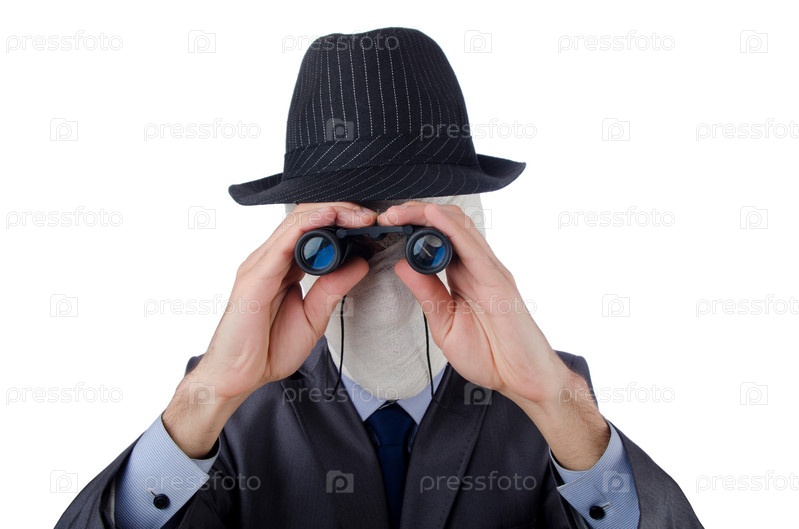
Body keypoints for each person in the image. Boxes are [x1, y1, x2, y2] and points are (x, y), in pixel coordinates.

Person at [55, 27, 703, 529]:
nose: (383, 267)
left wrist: (556, 403)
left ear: (469, 229)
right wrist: (204, 397)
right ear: (288, 242)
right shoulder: (234, 403)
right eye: (331, 243)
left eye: (422, 240)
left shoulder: (548, 394)